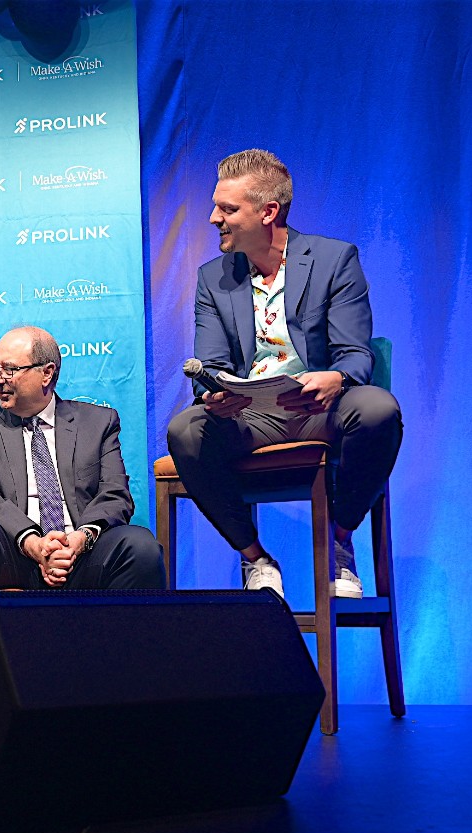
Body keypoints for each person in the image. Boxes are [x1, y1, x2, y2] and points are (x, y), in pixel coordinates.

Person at [166, 149, 403, 599]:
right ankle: (256, 558)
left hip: (319, 409)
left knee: (377, 409)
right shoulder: (213, 277)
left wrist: (336, 379)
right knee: (186, 430)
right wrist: (214, 392)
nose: (214, 219)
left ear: (268, 212)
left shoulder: (334, 259)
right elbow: (209, 365)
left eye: (227, 209)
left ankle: (339, 542)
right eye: (216, 207)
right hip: (250, 417)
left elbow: (355, 354)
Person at [0, 326, 165, 635]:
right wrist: (33, 542)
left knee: (140, 545)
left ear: (46, 373)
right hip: (15, 554)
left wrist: (80, 540)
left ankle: (127, 663)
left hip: (81, 554)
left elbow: (115, 495)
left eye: (8, 370)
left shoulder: (98, 422)